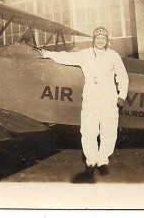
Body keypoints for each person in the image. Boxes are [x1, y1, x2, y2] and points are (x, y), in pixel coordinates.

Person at [39, 27, 129, 183]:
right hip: (91, 95)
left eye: (103, 38)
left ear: (107, 41)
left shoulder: (113, 56)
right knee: (89, 128)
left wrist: (122, 95)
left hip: (108, 95)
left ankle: (103, 160)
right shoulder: (85, 54)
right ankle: (91, 160)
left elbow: (122, 76)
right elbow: (66, 57)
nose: (100, 41)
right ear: (93, 39)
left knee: (109, 128)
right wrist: (47, 54)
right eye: (98, 38)